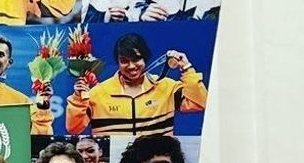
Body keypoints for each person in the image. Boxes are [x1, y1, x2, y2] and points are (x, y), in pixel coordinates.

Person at [65, 32, 207, 138]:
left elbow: (200, 103)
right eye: (124, 61)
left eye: (136, 59)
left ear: (145, 58)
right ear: (118, 62)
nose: (131, 66)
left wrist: (186, 68)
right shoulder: (99, 93)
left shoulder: (166, 87)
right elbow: (73, 128)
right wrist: (78, 99)